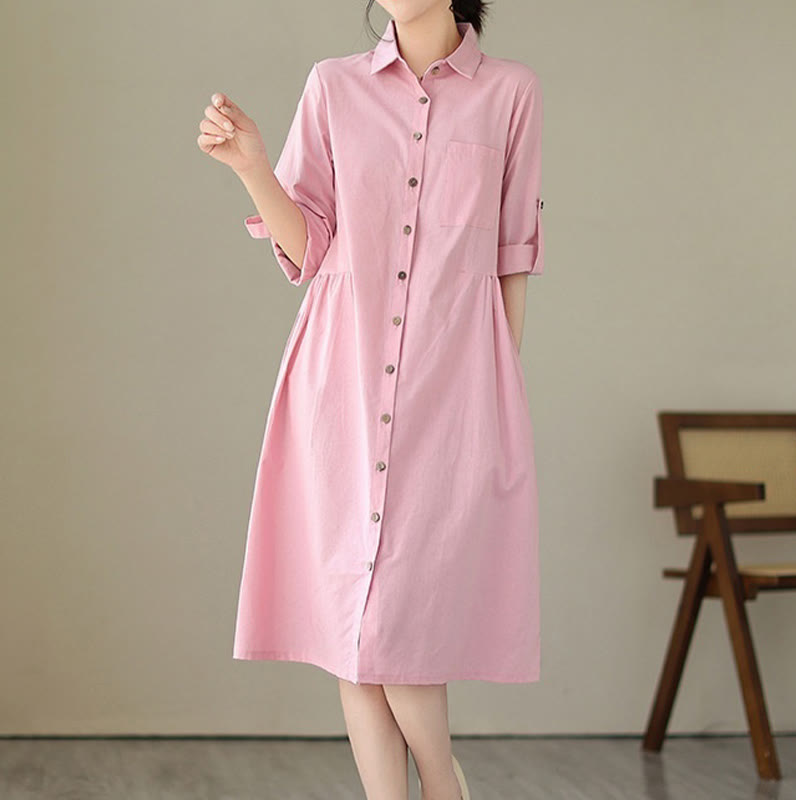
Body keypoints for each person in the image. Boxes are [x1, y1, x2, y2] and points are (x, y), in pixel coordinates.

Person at [197, 1, 544, 797]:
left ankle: (444, 785)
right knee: (351, 626)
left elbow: (512, 253)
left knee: (400, 624)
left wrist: (500, 395)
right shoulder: (332, 86)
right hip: (339, 383)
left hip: (452, 391)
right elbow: (308, 248)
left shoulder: (511, 92)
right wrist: (253, 167)